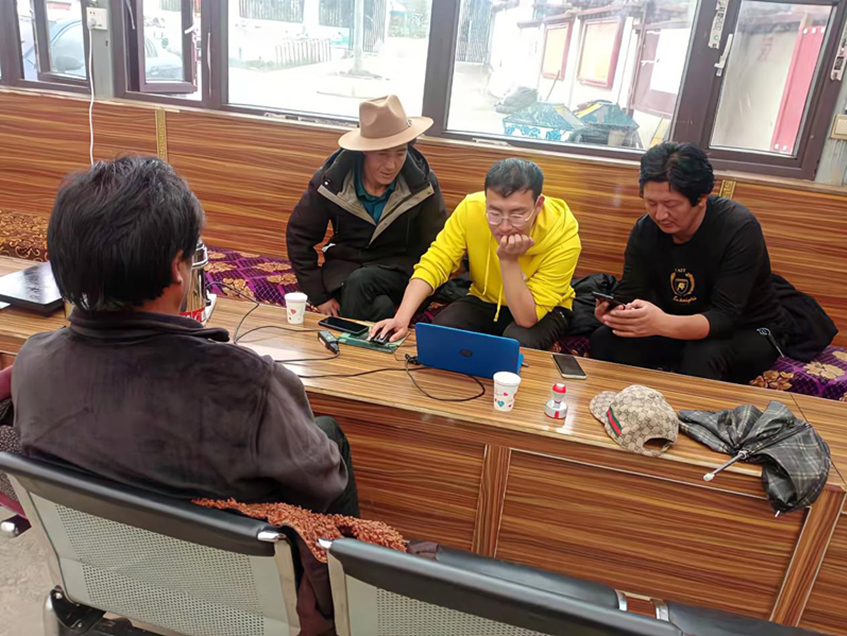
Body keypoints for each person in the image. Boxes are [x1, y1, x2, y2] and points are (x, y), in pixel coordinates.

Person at [12, 157, 359, 517]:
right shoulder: (251, 386)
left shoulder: (32, 363)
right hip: (223, 553)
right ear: (175, 268)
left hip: (91, 550)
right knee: (327, 434)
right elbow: (323, 487)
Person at [590, 142, 785, 383]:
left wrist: (661, 323)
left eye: (671, 205)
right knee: (606, 338)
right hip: (672, 322)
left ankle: (689, 409)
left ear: (702, 197)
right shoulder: (645, 229)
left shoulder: (739, 228)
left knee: (703, 354)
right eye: (651, 203)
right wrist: (615, 313)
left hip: (746, 328)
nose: (660, 215)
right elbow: (630, 293)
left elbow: (724, 318)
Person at [371, 158, 582, 350]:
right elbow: (436, 261)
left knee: (515, 343)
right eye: (495, 213)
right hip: (485, 298)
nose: (504, 226)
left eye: (517, 215)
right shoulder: (472, 208)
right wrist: (401, 318)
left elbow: (526, 319)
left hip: (542, 310)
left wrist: (508, 260)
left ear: (538, 205)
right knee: (441, 332)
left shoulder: (564, 236)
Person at [287, 95, 447, 322]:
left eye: (400, 153)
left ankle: (346, 338)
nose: (391, 165)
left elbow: (438, 246)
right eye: (382, 154)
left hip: (402, 272)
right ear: (364, 150)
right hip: (346, 270)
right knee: (377, 303)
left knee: (361, 282)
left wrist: (412, 303)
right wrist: (319, 295)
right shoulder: (331, 181)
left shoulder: (422, 183)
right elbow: (299, 236)